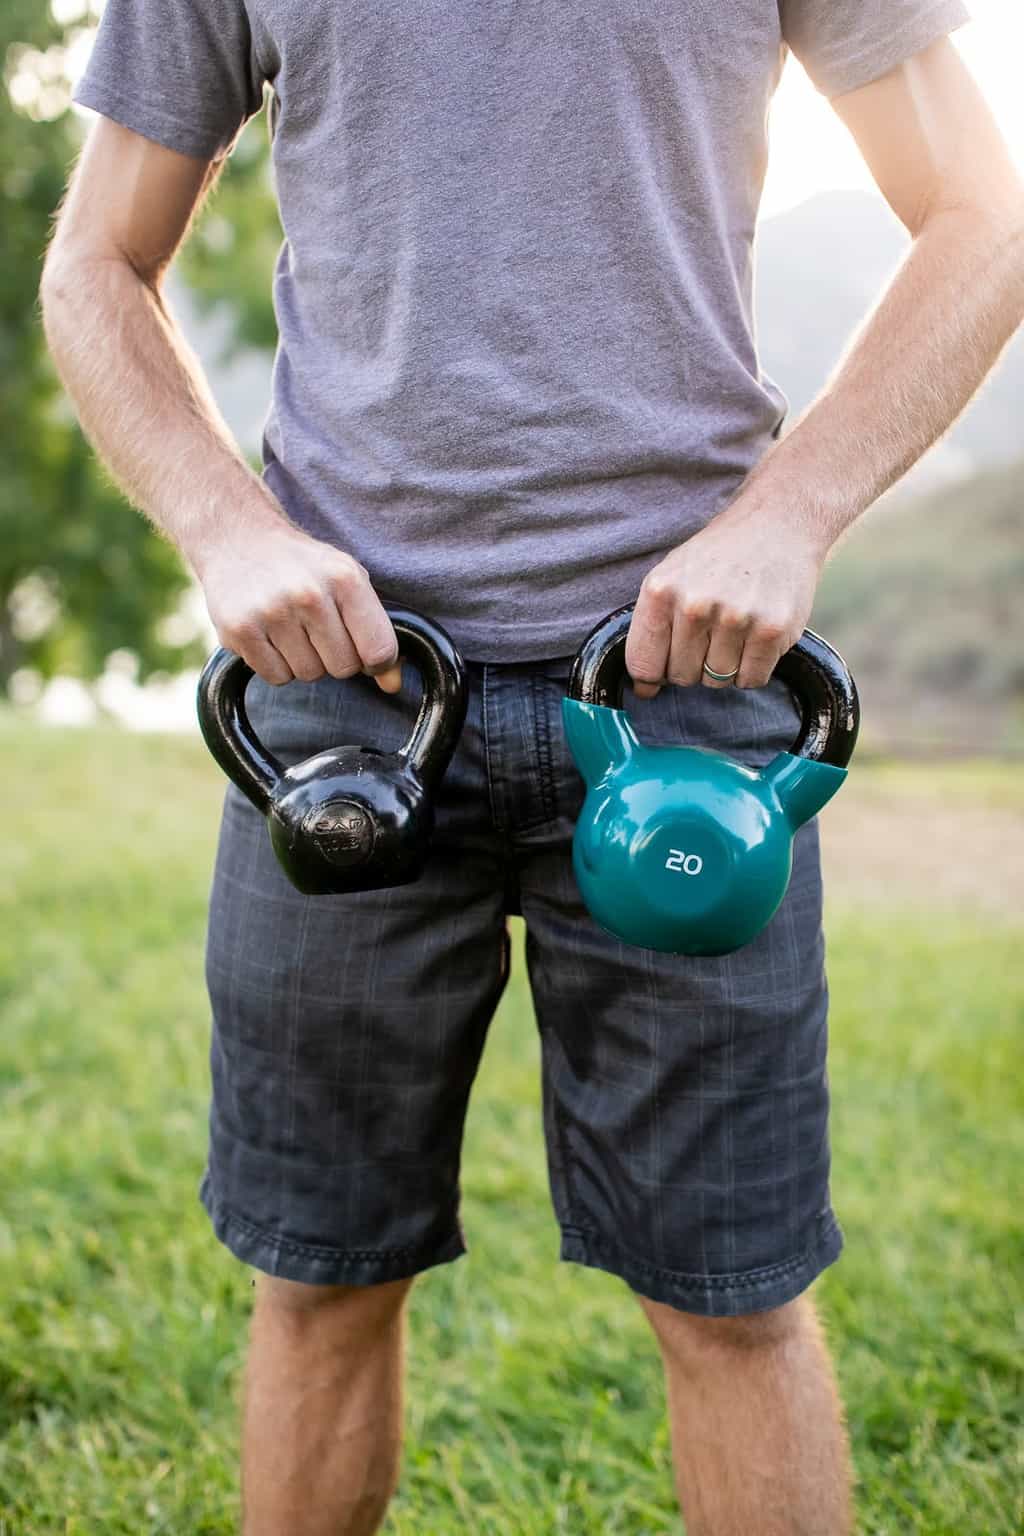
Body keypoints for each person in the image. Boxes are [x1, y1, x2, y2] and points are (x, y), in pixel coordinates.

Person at [41, 1, 1023, 1531]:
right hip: (342, 698)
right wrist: (226, 529)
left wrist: (793, 514)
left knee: (734, 1294)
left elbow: (982, 214)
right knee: (316, 1272)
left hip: (687, 697)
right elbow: (95, 259)